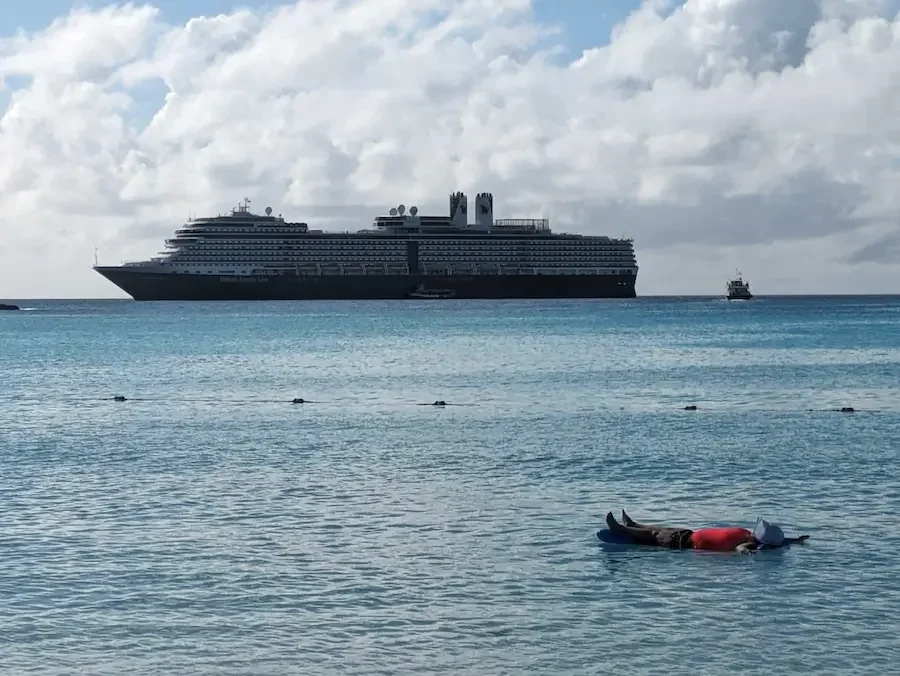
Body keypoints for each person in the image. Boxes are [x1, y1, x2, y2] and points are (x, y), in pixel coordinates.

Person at [605, 510, 809, 553]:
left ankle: (622, 529)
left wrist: (746, 552)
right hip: (689, 532)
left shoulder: (750, 543)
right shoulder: (752, 535)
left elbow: (739, 548)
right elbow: (781, 542)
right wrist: (796, 540)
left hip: (684, 544)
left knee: (656, 535)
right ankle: (633, 523)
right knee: (661, 528)